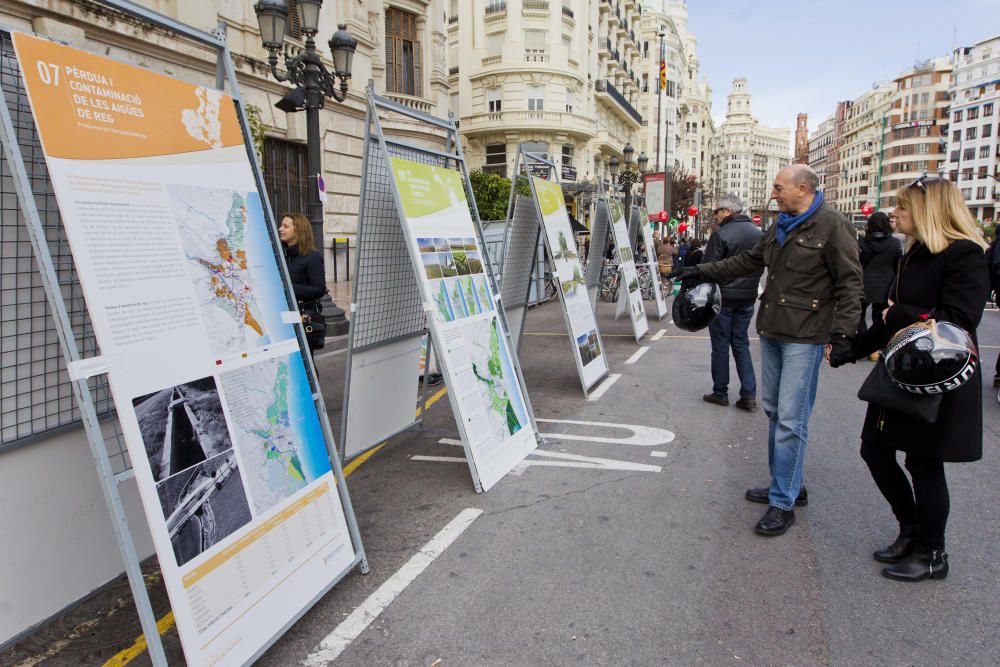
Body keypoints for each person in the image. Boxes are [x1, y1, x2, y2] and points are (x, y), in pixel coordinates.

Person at [672, 165, 863, 537]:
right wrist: (702, 272)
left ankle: (783, 502)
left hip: (804, 337)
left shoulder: (833, 225)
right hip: (773, 329)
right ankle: (789, 483)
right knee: (776, 412)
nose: (773, 193)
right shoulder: (781, 224)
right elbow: (748, 261)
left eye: (779, 187)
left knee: (792, 419)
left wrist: (843, 334)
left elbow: (851, 283)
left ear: (802, 189)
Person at [830, 176, 989, 581]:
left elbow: (960, 321)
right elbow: (888, 315)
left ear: (927, 211)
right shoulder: (910, 252)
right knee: (875, 451)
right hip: (900, 372)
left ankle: (933, 552)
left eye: (903, 207)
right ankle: (911, 529)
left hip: (939, 378)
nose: (895, 213)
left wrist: (899, 316)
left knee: (924, 463)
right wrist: (852, 347)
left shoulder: (965, 254)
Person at [701, 194, 763, 411]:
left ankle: (720, 392)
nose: (715, 215)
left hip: (723, 298)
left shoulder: (721, 234)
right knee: (741, 343)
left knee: (720, 345)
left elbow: (709, 268)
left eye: (717, 211)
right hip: (747, 298)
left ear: (727, 212)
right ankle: (749, 393)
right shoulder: (758, 234)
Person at [278, 213, 328, 352]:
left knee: (305, 362)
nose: (280, 229)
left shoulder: (313, 256)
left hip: (302, 317)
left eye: (285, 226)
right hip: (282, 317)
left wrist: (287, 288)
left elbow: (319, 289)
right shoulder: (280, 255)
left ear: (298, 230)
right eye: (281, 225)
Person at [857, 212, 902, 344]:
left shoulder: (861, 243)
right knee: (880, 317)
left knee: (859, 315)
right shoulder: (895, 243)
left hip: (863, 284)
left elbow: (857, 264)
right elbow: (898, 265)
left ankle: (863, 340)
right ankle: (876, 346)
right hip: (886, 286)